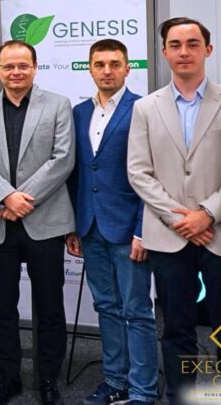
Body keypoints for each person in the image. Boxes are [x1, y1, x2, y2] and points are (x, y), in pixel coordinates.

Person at [127, 18, 221, 404]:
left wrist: (207, 214)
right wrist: (181, 218)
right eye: (175, 45)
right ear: (164, 52)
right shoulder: (146, 107)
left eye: (193, 44)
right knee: (176, 328)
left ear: (207, 50)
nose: (184, 52)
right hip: (169, 235)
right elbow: (138, 172)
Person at [0, 40, 75, 405]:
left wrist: (20, 200)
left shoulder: (58, 104)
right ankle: (9, 377)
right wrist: (5, 197)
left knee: (50, 306)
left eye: (23, 65)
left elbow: (63, 159)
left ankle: (48, 380)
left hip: (44, 219)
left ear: (35, 67)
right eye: (9, 66)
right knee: (1, 306)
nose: (16, 72)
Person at [65, 39, 157, 405]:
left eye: (115, 64)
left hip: (129, 229)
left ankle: (143, 389)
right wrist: (74, 226)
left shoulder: (143, 109)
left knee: (137, 311)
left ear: (127, 68)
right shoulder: (79, 112)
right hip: (90, 227)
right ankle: (115, 381)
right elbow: (76, 173)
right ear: (89, 68)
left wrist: (143, 229)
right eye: (100, 64)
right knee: (106, 307)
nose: (107, 71)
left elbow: (152, 174)